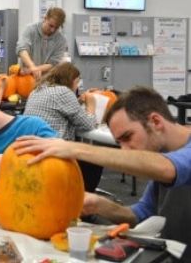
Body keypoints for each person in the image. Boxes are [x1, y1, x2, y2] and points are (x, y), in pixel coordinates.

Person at [13, 86, 191, 260]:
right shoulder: (161, 156)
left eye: (128, 137)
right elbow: (143, 214)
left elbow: (168, 169)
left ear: (156, 122)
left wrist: (74, 148)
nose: (125, 151)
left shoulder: (167, 163)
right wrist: (100, 205)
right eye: (119, 143)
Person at [23, 62, 100, 191]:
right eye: (77, 83)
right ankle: (81, 198)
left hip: (31, 150)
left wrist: (78, 101)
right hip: (54, 152)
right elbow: (88, 124)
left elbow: (57, 109)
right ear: (74, 80)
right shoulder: (64, 92)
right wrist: (91, 105)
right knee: (94, 159)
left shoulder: (37, 90)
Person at [16, 7, 68, 79]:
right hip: (25, 77)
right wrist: (32, 66)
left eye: (56, 28)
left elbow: (53, 63)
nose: (53, 30)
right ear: (45, 18)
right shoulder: (30, 30)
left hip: (46, 81)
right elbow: (22, 49)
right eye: (51, 26)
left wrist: (35, 69)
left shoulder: (61, 40)